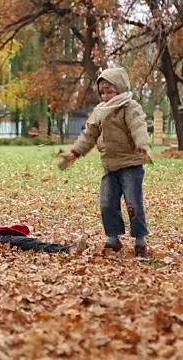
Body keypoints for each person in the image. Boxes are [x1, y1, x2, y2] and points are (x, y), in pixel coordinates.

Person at [58, 67, 151, 258]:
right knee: (107, 203)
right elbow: (89, 135)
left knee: (133, 203)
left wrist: (142, 144)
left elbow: (138, 126)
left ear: (121, 88)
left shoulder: (129, 106)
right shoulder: (99, 111)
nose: (106, 96)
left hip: (130, 165)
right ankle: (112, 237)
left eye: (110, 91)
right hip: (110, 166)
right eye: (103, 92)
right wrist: (75, 153)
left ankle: (140, 240)